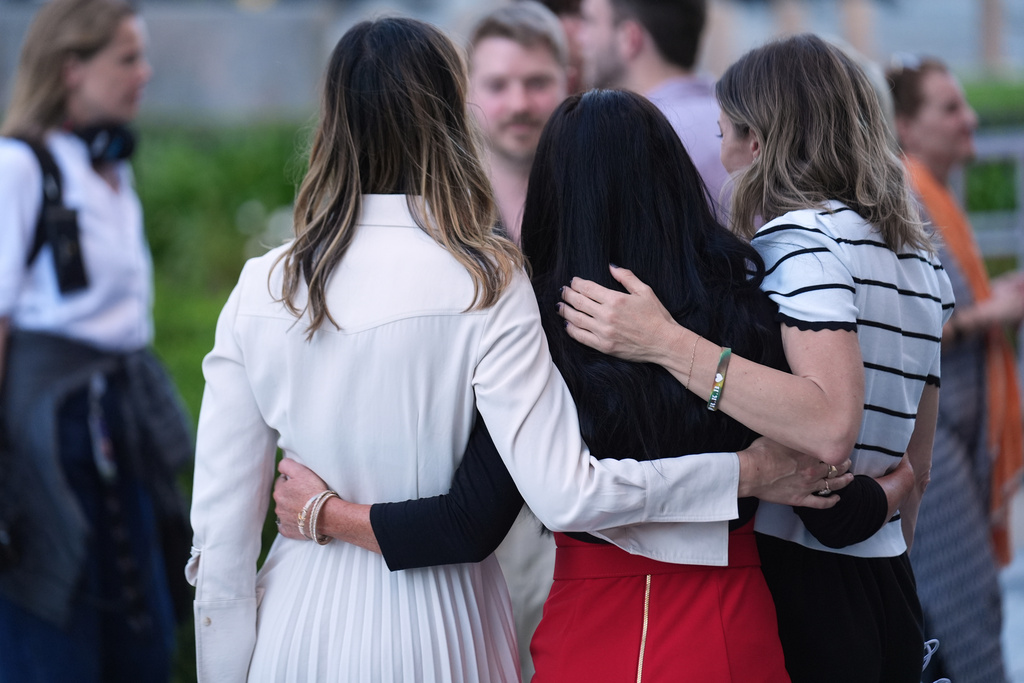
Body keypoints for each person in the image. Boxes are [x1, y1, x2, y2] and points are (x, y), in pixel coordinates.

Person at [189, 17, 848, 683]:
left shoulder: (262, 288)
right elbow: (552, 494)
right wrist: (748, 472)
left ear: (329, 122)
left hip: (307, 618)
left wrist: (314, 523)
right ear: (451, 116)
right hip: (457, 627)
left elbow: (220, 538)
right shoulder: (491, 282)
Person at [557, 35, 955, 682]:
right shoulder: (917, 258)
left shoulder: (797, 245)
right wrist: (879, 521)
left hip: (801, 582)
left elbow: (828, 426)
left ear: (759, 143)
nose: (719, 155)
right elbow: (919, 465)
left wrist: (665, 342)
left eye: (723, 133)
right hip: (889, 582)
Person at [0, 1, 192, 681]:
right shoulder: (21, 167)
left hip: (118, 424)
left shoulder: (111, 165)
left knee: (137, 630)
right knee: (55, 630)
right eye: (128, 58)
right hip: (50, 439)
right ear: (71, 68)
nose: (145, 73)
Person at [888, 55, 1023, 683]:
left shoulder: (932, 197)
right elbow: (901, 324)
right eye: (949, 108)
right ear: (905, 127)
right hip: (930, 446)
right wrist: (989, 312)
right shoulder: (906, 200)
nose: (969, 119)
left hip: (952, 443)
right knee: (962, 618)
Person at [464, 4, 568, 678]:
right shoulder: (440, 212)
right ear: (468, 91)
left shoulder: (602, 194)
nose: (519, 103)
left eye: (536, 82)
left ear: (568, 78)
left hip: (583, 522)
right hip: (467, 521)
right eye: (498, 85)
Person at [577, 0, 729, 210]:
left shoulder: (632, 141)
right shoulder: (742, 119)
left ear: (630, 38)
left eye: (590, 21)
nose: (580, 38)